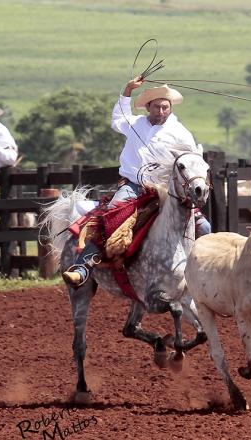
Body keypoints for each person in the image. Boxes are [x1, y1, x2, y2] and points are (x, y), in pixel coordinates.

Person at [62, 77, 211, 286]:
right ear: (148, 107)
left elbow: (193, 161)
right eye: (157, 107)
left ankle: (205, 273)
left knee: (203, 227)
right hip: (133, 186)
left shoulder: (180, 133)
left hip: (166, 190)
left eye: (165, 107)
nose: (161, 111)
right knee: (111, 215)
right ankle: (83, 265)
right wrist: (127, 90)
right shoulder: (135, 124)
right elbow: (117, 119)